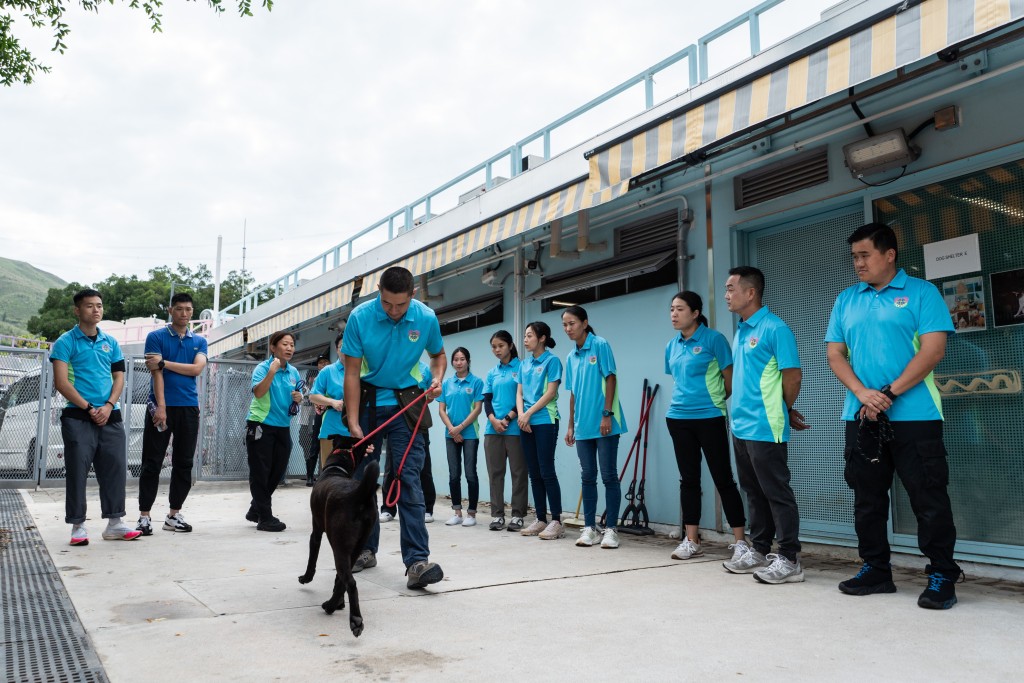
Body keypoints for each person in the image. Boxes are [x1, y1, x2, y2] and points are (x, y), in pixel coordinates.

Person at [826, 222, 962, 609]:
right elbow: (835, 353)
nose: (858, 263)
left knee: (928, 497)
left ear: (890, 254)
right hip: (861, 416)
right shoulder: (846, 299)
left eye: (865, 255)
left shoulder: (922, 293)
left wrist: (888, 393)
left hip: (916, 415)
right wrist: (861, 393)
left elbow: (933, 351)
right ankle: (875, 570)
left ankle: (941, 574)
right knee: (866, 498)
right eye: (854, 256)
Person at [343, 266, 447, 589]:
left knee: (407, 477)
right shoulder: (360, 318)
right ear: (378, 291)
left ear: (412, 296)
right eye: (387, 304)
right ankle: (363, 550)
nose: (393, 311)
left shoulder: (426, 318)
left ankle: (417, 561)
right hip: (371, 400)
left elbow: (438, 356)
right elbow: (351, 373)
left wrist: (438, 378)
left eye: (400, 305)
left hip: (408, 403)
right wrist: (354, 420)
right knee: (363, 479)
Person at [723, 266, 807, 584]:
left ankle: (789, 558)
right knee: (753, 492)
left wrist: (783, 409)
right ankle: (759, 550)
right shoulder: (742, 329)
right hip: (741, 425)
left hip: (765, 425)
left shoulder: (775, 329)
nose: (727, 294)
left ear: (750, 292)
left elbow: (793, 375)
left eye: (731, 289)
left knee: (776, 492)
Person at [50, 289, 142, 545]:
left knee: (115, 469)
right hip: (77, 415)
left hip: (110, 414)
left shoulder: (110, 343)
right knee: (77, 471)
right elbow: (61, 382)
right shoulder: (65, 342)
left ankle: (115, 523)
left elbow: (119, 377)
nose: (96, 310)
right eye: (89, 306)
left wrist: (109, 404)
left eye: (99, 305)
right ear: (77, 310)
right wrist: (89, 408)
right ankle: (78, 525)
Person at [664, 291, 748, 561]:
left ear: (695, 313)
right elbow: (678, 381)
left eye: (679, 309)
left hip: (710, 417)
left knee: (723, 478)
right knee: (688, 480)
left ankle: (740, 542)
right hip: (678, 418)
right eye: (672, 309)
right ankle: (691, 540)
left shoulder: (714, 340)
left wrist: (712, 404)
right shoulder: (671, 346)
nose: (674, 314)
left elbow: (730, 380)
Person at [136, 292, 208, 535]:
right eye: (179, 309)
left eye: (188, 309)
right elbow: (155, 374)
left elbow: (197, 369)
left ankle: (173, 515)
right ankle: (144, 516)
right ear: (170, 310)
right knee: (152, 462)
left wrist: (165, 363)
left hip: (189, 407)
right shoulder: (155, 337)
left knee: (184, 463)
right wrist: (162, 407)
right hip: (161, 406)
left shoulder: (199, 341)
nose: (184, 314)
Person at [562, 306, 627, 550]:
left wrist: (607, 414)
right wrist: (570, 425)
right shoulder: (571, 357)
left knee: (609, 475)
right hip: (582, 426)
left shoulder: (600, 345)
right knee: (587, 476)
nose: (569, 329)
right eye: (565, 325)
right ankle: (590, 527)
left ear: (585, 323)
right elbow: (573, 394)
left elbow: (611, 378)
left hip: (604, 423)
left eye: (572, 323)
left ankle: (611, 529)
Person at [243, 331, 303, 532]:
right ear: (273, 347)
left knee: (277, 471)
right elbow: (259, 392)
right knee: (260, 472)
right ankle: (265, 518)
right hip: (260, 424)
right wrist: (272, 371)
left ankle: (255, 508)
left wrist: (298, 397)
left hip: (282, 427)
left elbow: (296, 395)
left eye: (292, 345)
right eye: (285, 344)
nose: (289, 348)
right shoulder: (262, 368)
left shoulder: (294, 372)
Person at [516, 321, 564, 540]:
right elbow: (519, 392)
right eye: (525, 336)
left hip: (545, 420)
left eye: (529, 336)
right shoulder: (523, 364)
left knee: (546, 470)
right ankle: (541, 518)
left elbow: (551, 393)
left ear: (542, 338)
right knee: (533, 472)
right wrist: (520, 414)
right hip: (525, 422)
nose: (525, 340)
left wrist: (528, 413)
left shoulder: (552, 361)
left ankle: (556, 521)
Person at [379, 361, 437, 524]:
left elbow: (430, 395)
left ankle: (427, 508)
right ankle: (388, 508)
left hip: (418, 421)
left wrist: (429, 395)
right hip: (398, 422)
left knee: (423, 466)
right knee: (392, 466)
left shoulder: (425, 369)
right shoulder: (397, 364)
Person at [482, 330, 528, 532]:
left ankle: (518, 515)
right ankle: (497, 515)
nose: (497, 350)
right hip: (493, 430)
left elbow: (524, 397)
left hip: (515, 428)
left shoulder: (522, 367)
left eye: (500, 345)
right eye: (493, 346)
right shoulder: (492, 372)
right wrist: (493, 420)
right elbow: (487, 400)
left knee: (519, 473)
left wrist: (508, 418)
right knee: (495, 474)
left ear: (510, 345)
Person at [438, 347, 484, 527]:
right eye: (456, 359)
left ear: (468, 361)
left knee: (471, 473)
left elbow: (478, 409)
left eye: (462, 359)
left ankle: (471, 513)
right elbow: (442, 410)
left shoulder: (477, 382)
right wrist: (452, 429)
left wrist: (460, 428)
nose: (459, 362)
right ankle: (457, 512)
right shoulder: (447, 383)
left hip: (470, 433)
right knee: (453, 474)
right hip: (450, 434)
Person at [308, 336, 353, 473]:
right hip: (332, 426)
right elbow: (313, 396)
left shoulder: (362, 371)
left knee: (353, 472)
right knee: (330, 471)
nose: (346, 350)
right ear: (337, 350)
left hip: (355, 428)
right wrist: (332, 402)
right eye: (342, 347)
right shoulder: (328, 371)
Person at [304, 352, 331, 486]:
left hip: (331, 414)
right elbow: (310, 396)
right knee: (314, 445)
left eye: (326, 361)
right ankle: (310, 476)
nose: (324, 364)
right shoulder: (313, 378)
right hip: (317, 414)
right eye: (321, 362)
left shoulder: (332, 374)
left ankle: (325, 475)